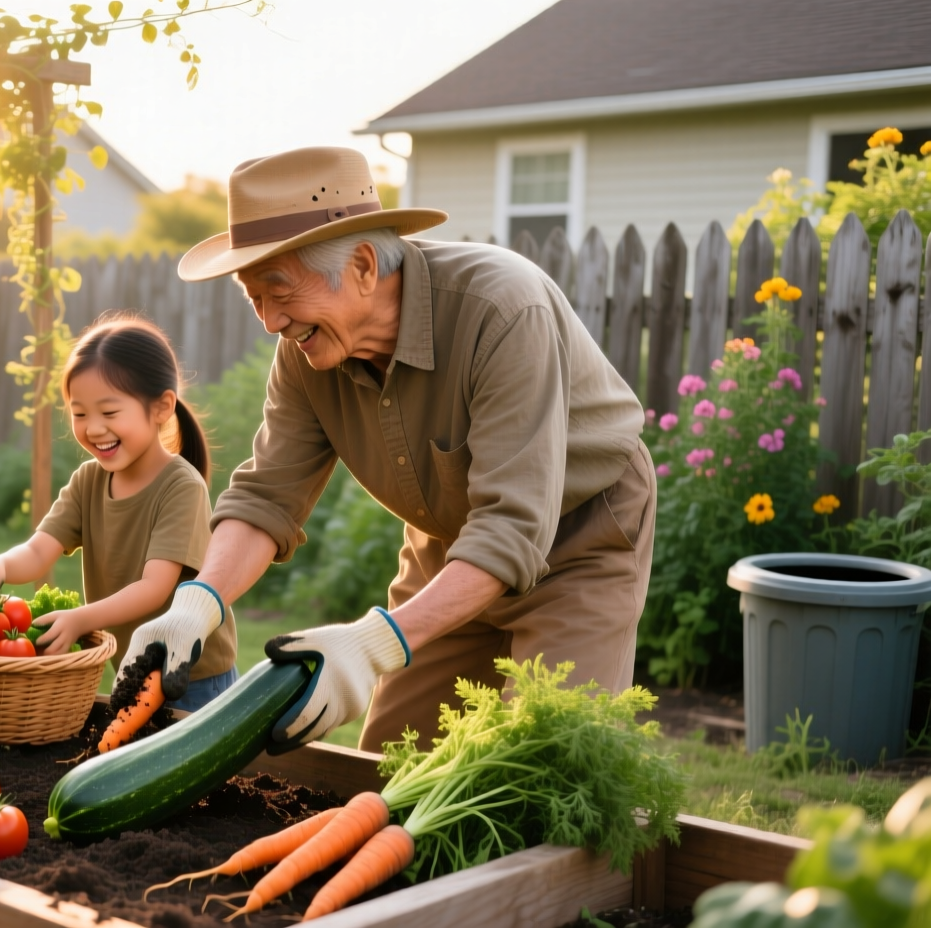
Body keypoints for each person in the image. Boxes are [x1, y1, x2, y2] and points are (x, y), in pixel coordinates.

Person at [117, 146, 654, 747]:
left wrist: (374, 643)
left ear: (365, 266)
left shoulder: (502, 309)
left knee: (545, 768)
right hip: (449, 547)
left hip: (579, 539)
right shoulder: (306, 353)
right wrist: (197, 602)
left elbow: (511, 526)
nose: (269, 321)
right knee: (387, 763)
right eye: (254, 298)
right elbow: (268, 496)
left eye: (279, 291)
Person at [0, 315, 237, 711]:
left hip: (193, 677)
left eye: (109, 413)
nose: (93, 428)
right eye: (79, 414)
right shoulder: (88, 481)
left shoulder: (182, 486)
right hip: (134, 668)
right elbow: (40, 550)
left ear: (161, 407)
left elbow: (154, 588)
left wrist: (80, 619)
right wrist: (3, 566)